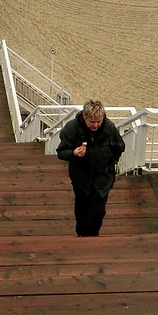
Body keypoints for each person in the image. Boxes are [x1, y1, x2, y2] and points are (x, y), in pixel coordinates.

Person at [55, 99, 124, 237]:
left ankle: (92, 236)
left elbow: (119, 147)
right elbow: (61, 152)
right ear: (85, 117)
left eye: (99, 121)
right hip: (80, 176)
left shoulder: (109, 127)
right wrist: (73, 153)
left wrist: (111, 164)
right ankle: (81, 234)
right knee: (82, 207)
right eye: (92, 122)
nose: (96, 125)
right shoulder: (72, 128)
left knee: (97, 210)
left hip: (103, 175)